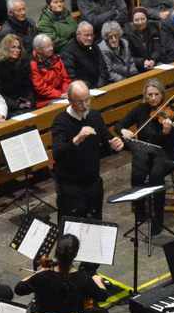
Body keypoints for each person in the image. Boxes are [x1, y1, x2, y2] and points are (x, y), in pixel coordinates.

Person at [117, 77, 174, 236]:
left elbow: (166, 141)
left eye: (156, 94)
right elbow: (119, 125)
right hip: (146, 153)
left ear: (162, 95)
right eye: (150, 95)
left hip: (167, 154)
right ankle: (140, 212)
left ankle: (157, 220)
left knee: (155, 175)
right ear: (145, 95)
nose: (153, 98)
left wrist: (167, 131)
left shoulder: (170, 111)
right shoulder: (140, 110)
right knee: (137, 173)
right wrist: (123, 131)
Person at [51, 80, 123, 218]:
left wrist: (115, 144)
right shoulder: (61, 121)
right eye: (79, 102)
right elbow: (57, 153)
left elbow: (106, 139)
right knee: (73, 226)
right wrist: (77, 139)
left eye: (87, 100)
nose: (85, 105)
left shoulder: (94, 116)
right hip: (70, 185)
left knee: (95, 222)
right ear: (70, 101)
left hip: (93, 180)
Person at [60, 20, 104, 85]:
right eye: (86, 35)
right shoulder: (68, 52)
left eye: (91, 35)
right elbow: (72, 77)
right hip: (84, 89)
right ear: (78, 35)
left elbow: (103, 67)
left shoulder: (94, 46)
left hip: (101, 85)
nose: (90, 38)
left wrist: (101, 82)